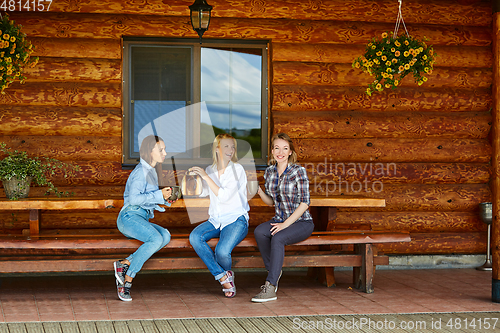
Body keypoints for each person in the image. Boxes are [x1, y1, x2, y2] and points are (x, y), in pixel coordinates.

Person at [251, 133, 314, 302]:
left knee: (277, 238)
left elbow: (305, 203)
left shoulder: (298, 171)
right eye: (277, 148)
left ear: (290, 152)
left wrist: (285, 224)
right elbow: (271, 201)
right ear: (272, 151)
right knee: (260, 232)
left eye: (285, 148)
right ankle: (274, 271)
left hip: (301, 222)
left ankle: (270, 286)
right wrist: (259, 192)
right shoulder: (270, 172)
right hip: (280, 219)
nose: (281, 152)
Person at [113, 135, 175, 302]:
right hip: (129, 217)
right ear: (150, 151)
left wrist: (165, 199)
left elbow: (147, 199)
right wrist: (158, 195)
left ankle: (125, 263)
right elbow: (134, 200)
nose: (165, 152)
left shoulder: (150, 171)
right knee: (155, 238)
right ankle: (128, 279)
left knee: (166, 236)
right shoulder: (141, 172)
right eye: (161, 149)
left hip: (140, 217)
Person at [189, 133, 250, 298]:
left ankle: (226, 280)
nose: (231, 150)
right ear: (217, 149)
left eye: (232, 146)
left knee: (222, 251)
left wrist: (205, 176)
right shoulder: (211, 170)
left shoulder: (237, 170)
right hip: (216, 220)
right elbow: (206, 192)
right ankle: (223, 276)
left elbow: (223, 196)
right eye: (226, 146)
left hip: (236, 220)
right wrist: (195, 181)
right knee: (195, 237)